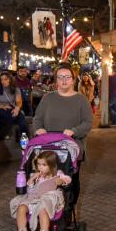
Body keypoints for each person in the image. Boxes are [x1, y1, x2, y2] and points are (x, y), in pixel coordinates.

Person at [32, 63, 93, 209]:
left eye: (67, 77)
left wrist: (74, 131)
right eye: (60, 77)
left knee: (71, 179)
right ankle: (44, 205)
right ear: (56, 80)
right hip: (48, 144)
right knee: (46, 176)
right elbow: (37, 118)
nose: (64, 80)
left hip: (71, 145)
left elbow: (87, 122)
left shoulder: (81, 100)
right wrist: (38, 129)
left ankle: (69, 207)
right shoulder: (48, 98)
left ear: (73, 80)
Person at [10, 151, 71, 231]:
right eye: (38, 164)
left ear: (52, 165)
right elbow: (30, 189)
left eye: (44, 165)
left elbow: (67, 179)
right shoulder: (37, 175)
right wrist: (32, 179)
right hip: (34, 199)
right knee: (21, 207)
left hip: (48, 200)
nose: (40, 167)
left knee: (43, 209)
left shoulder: (58, 174)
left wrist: (62, 181)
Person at [0, 72, 29, 141]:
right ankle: (3, 135)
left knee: (22, 122)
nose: (3, 81)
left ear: (10, 79)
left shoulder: (15, 89)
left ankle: (25, 141)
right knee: (9, 115)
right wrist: (1, 106)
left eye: (5, 79)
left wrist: (17, 109)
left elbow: (19, 101)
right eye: (1, 79)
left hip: (12, 108)